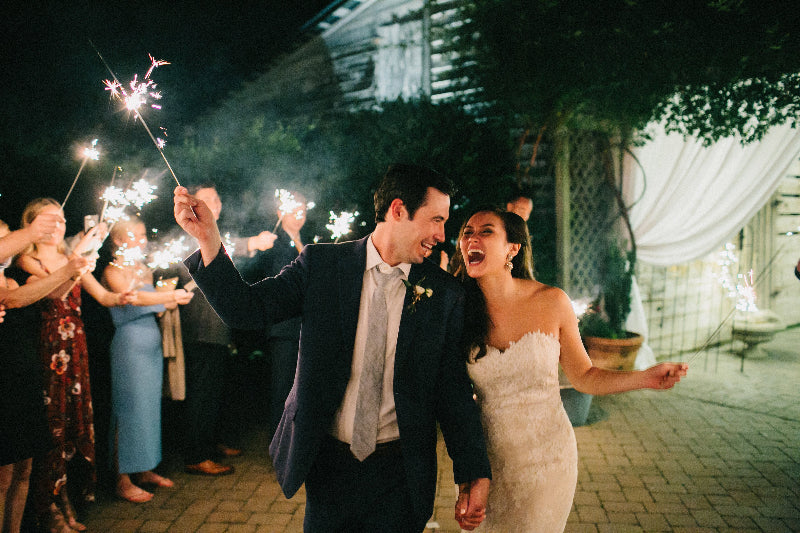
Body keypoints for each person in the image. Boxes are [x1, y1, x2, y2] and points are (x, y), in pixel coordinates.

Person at [173, 164, 492, 532]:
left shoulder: (445, 293)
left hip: (400, 474)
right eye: (436, 219)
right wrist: (208, 239)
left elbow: (451, 390)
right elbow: (247, 310)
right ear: (398, 210)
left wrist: (473, 472)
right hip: (328, 465)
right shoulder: (322, 266)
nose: (441, 234)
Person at [452, 208, 688, 532]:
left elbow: (585, 377)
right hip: (486, 463)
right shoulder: (457, 310)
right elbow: (451, 398)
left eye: (486, 231)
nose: (472, 238)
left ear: (512, 248)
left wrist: (646, 377)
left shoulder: (552, 301)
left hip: (548, 460)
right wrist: (467, 476)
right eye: (467, 232)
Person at [15, 199, 133, 532]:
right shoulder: (28, 258)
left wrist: (123, 296)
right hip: (49, 350)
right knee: (52, 428)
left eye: (62, 219)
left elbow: (102, 296)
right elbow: (57, 291)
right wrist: (80, 256)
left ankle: (66, 498)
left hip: (76, 348)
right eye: (50, 219)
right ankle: (47, 508)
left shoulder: (72, 258)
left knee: (72, 425)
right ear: (32, 224)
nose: (59, 225)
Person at [177, 184, 276, 476]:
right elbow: (219, 248)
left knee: (216, 390)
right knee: (203, 392)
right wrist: (253, 243)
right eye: (207, 199)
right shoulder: (191, 230)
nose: (215, 204)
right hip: (202, 327)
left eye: (217, 198)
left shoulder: (214, 232)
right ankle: (196, 455)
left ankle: (212, 442)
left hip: (218, 326)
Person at [0, 218, 91, 533]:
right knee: (4, 474)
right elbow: (11, 299)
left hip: (25, 368)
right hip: (10, 371)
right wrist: (33, 234)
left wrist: (75, 262)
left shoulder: (10, 278)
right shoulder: (21, 271)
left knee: (24, 467)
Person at [102, 216, 194, 502]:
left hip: (150, 343)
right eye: (135, 234)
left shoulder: (144, 269)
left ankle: (144, 468)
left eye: (144, 233)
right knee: (127, 410)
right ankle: (122, 478)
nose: (143, 239)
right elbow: (131, 299)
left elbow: (155, 307)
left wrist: (175, 298)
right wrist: (166, 297)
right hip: (128, 346)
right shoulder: (112, 270)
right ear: (117, 239)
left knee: (148, 409)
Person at [241, 190, 307, 439]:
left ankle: (297, 441)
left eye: (303, 210)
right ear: (280, 213)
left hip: (305, 327)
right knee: (283, 389)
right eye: (293, 209)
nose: (299, 214)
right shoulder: (273, 242)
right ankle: (279, 444)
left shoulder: (310, 242)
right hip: (283, 326)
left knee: (302, 388)